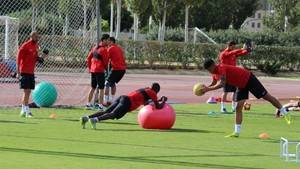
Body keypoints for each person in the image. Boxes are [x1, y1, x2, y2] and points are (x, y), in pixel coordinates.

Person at [202, 59, 290, 137]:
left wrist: (207, 89)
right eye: (208, 70)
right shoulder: (214, 73)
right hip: (241, 86)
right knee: (238, 108)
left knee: (266, 96)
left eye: (210, 69)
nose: (210, 71)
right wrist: (205, 88)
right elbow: (214, 82)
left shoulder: (221, 68)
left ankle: (284, 111)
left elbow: (222, 83)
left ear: (213, 65)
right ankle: (237, 132)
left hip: (248, 79)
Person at [80, 83, 167, 129]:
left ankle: (86, 118)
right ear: (156, 90)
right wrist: (163, 101)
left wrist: (158, 100)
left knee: (106, 111)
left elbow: (146, 103)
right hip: (127, 102)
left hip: (123, 97)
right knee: (113, 114)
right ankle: (95, 120)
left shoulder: (146, 89)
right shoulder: (152, 93)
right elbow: (158, 107)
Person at [17, 32, 48, 118]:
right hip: (24, 71)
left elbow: (37, 59)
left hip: (31, 72)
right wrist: (18, 72)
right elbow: (18, 59)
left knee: (28, 91)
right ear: (31, 36)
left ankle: (23, 110)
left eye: (38, 36)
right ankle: (27, 112)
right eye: (35, 36)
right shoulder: (25, 46)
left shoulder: (36, 46)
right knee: (26, 91)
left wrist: (44, 56)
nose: (37, 38)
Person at [218, 41, 250, 113]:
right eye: (233, 47)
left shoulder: (233, 53)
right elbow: (232, 53)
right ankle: (222, 107)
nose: (234, 48)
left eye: (234, 47)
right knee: (225, 92)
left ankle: (234, 107)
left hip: (233, 75)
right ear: (229, 46)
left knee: (235, 91)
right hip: (225, 75)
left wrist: (247, 50)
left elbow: (241, 53)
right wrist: (242, 48)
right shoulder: (224, 53)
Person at [86, 34, 109, 110]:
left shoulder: (94, 48)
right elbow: (106, 62)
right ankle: (100, 105)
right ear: (103, 40)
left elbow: (88, 58)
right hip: (99, 70)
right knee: (101, 88)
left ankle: (88, 104)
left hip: (93, 70)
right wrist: (107, 70)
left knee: (93, 87)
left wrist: (90, 68)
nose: (108, 42)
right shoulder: (103, 50)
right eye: (107, 40)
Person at [104, 37, 126, 105]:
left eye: (108, 41)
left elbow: (106, 58)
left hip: (116, 69)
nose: (107, 43)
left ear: (111, 42)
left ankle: (105, 101)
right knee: (113, 83)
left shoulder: (110, 48)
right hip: (122, 69)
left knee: (106, 83)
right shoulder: (119, 48)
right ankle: (112, 100)